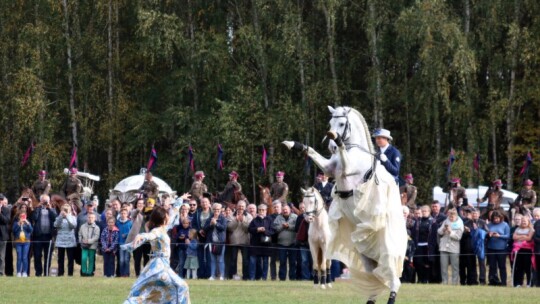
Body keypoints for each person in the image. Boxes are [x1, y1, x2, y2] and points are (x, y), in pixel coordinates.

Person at [122, 206, 191, 303]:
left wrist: (180, 200)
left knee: (153, 291)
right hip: (160, 266)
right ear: (163, 218)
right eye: (167, 215)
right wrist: (140, 236)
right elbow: (149, 235)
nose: (168, 216)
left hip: (161, 265)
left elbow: (174, 212)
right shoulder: (157, 230)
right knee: (182, 286)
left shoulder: (164, 228)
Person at [30, 194, 56, 276]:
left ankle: (46, 273)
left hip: (48, 236)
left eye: (46, 201)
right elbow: (34, 218)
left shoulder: (52, 209)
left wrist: (50, 208)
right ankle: (38, 273)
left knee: (47, 256)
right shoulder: (37, 209)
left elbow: (55, 218)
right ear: (40, 201)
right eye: (43, 201)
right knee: (37, 256)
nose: (45, 202)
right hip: (38, 236)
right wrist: (38, 207)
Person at [227, 200, 252, 280]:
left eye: (242, 206)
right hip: (234, 241)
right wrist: (236, 221)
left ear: (245, 207)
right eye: (239, 206)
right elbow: (229, 228)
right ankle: (233, 276)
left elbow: (248, 229)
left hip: (245, 241)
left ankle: (245, 276)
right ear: (236, 206)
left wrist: (243, 221)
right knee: (233, 260)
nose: (241, 208)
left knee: (245, 260)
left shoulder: (249, 216)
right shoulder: (231, 215)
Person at [437, 208, 464, 285]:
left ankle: (454, 283)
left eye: (452, 217)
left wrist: (450, 232)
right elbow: (439, 231)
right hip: (444, 247)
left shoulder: (460, 223)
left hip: (454, 248)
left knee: (455, 267)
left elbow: (458, 237)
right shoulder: (446, 221)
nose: (451, 218)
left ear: (456, 216)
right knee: (443, 267)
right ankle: (444, 282)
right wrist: (443, 230)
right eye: (449, 216)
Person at [248, 204, 274, 280]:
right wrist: (257, 229)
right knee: (253, 262)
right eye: (260, 210)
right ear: (258, 211)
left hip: (266, 244)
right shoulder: (254, 220)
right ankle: (252, 278)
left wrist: (265, 231)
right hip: (255, 244)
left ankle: (264, 278)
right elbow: (249, 229)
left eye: (263, 210)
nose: (261, 212)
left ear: (266, 211)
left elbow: (272, 231)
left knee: (265, 262)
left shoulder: (269, 220)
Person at [126, 198, 151, 276]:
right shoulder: (134, 212)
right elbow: (133, 214)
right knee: (137, 258)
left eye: (142, 203)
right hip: (136, 239)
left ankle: (145, 274)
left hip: (146, 239)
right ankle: (137, 274)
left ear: (144, 204)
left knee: (146, 258)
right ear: (136, 204)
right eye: (139, 203)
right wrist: (138, 210)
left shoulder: (148, 213)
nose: (140, 204)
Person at [272, 204, 297, 281]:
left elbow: (297, 227)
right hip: (281, 244)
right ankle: (282, 278)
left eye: (286, 209)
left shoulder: (295, 217)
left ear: (290, 210)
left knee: (292, 262)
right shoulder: (278, 218)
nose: (285, 211)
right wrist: (282, 227)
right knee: (282, 262)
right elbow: (275, 229)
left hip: (292, 243)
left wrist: (288, 226)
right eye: (283, 209)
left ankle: (292, 278)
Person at [203, 203, 227, 280]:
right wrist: (210, 224)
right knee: (212, 260)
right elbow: (205, 229)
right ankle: (212, 275)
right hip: (211, 242)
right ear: (212, 210)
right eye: (215, 209)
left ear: (220, 210)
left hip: (220, 243)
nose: (216, 211)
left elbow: (223, 228)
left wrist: (216, 223)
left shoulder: (223, 219)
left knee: (220, 260)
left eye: (218, 210)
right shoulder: (209, 218)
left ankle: (221, 276)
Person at [412, 205, 435, 283]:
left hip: (428, 247)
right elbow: (414, 233)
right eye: (423, 211)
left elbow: (434, 235)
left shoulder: (433, 222)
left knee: (427, 264)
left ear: (429, 212)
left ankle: (426, 279)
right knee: (418, 262)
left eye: (425, 211)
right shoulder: (418, 222)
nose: (424, 212)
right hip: (418, 246)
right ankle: (420, 279)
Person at [486, 210, 510, 286]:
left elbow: (508, 236)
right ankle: (492, 281)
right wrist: (488, 235)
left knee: (502, 266)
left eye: (497, 218)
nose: (496, 220)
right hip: (491, 248)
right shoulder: (489, 225)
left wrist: (500, 236)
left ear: (500, 218)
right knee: (492, 266)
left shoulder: (505, 225)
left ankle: (503, 282)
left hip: (502, 249)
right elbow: (485, 235)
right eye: (494, 218)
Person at [54, 203, 77, 276]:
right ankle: (60, 273)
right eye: (63, 210)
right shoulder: (58, 217)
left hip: (70, 241)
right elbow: (56, 225)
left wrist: (67, 217)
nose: (65, 211)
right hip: (60, 241)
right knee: (60, 259)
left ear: (69, 210)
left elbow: (73, 226)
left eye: (66, 210)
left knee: (70, 259)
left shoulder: (73, 217)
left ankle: (70, 274)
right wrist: (61, 216)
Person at [511, 215, 534, 287]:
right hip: (518, 250)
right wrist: (524, 236)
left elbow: (529, 238)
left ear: (528, 222)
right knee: (519, 267)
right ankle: (518, 283)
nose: (523, 222)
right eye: (522, 220)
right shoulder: (517, 229)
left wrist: (519, 237)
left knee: (527, 267)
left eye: (525, 221)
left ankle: (528, 283)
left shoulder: (531, 229)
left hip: (527, 250)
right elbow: (514, 237)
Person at [459, 207, 478, 285]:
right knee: (462, 266)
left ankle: (472, 281)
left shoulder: (474, 223)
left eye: (469, 213)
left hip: (471, 247)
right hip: (461, 246)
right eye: (466, 213)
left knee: (471, 266)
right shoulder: (460, 222)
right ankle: (463, 281)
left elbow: (476, 234)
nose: (467, 214)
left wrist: (470, 231)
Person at [78, 212, 100, 276]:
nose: (90, 219)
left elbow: (96, 237)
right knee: (83, 259)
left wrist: (88, 241)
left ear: (94, 219)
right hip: (84, 246)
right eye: (89, 217)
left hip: (92, 246)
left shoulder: (97, 228)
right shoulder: (82, 226)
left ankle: (90, 273)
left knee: (91, 260)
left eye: (92, 217)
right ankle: (84, 272)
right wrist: (81, 241)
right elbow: (79, 235)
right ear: (87, 218)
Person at [12, 210, 33, 277]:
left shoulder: (28, 222)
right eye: (21, 216)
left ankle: (24, 272)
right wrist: (18, 224)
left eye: (24, 216)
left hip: (26, 242)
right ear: (19, 216)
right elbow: (13, 231)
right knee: (19, 257)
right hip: (18, 242)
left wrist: (27, 223)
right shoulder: (16, 223)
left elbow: (31, 230)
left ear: (26, 216)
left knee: (24, 257)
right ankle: (18, 272)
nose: (22, 217)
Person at [295, 202, 312, 281]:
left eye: (303, 207)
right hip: (303, 243)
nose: (302, 209)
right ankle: (305, 277)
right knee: (304, 261)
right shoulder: (299, 218)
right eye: (300, 208)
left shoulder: (313, 216)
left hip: (312, 243)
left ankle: (313, 276)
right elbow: (296, 230)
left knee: (313, 260)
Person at [116, 208, 132, 277]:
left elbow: (132, 233)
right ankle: (122, 273)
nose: (123, 215)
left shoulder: (130, 223)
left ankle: (126, 273)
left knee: (126, 259)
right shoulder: (117, 223)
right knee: (121, 260)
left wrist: (126, 235)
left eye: (124, 213)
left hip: (128, 244)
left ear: (127, 214)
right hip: (120, 243)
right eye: (122, 213)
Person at [0, 194, 10, 276]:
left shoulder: (6, 210)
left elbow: (6, 221)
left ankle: (1, 273)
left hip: (2, 236)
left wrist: (0, 213)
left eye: (1, 199)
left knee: (1, 256)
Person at [532, 208, 540, 287]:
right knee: (537, 267)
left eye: (538, 216)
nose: (536, 217)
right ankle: (537, 283)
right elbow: (535, 237)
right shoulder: (536, 224)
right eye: (535, 216)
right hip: (537, 249)